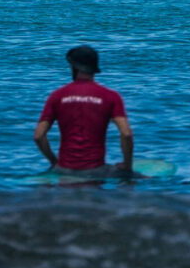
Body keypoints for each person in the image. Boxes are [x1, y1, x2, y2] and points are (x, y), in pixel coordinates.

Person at [34, 44, 133, 175]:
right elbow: (126, 134)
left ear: (73, 67)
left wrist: (54, 162)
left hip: (64, 170)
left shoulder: (57, 95)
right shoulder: (111, 96)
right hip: (96, 170)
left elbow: (39, 136)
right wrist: (127, 165)